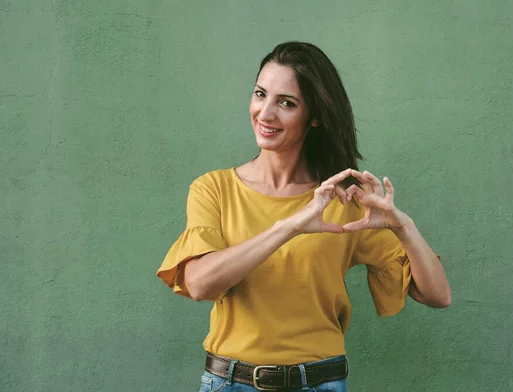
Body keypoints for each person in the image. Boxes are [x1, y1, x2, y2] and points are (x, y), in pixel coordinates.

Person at [157, 41, 451, 392]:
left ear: (314, 116)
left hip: (319, 382)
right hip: (229, 382)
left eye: (286, 103)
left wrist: (403, 226)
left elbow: (437, 295)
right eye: (260, 94)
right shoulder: (214, 189)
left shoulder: (343, 200)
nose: (265, 113)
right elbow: (200, 284)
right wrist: (290, 226)